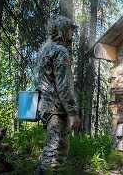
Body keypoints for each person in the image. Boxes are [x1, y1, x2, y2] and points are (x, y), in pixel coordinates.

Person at [34, 15, 80, 174]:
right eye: (69, 30)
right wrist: (73, 113)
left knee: (49, 149)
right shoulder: (60, 51)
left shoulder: (43, 50)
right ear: (62, 30)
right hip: (57, 110)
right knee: (56, 155)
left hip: (45, 108)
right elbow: (64, 85)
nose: (71, 34)